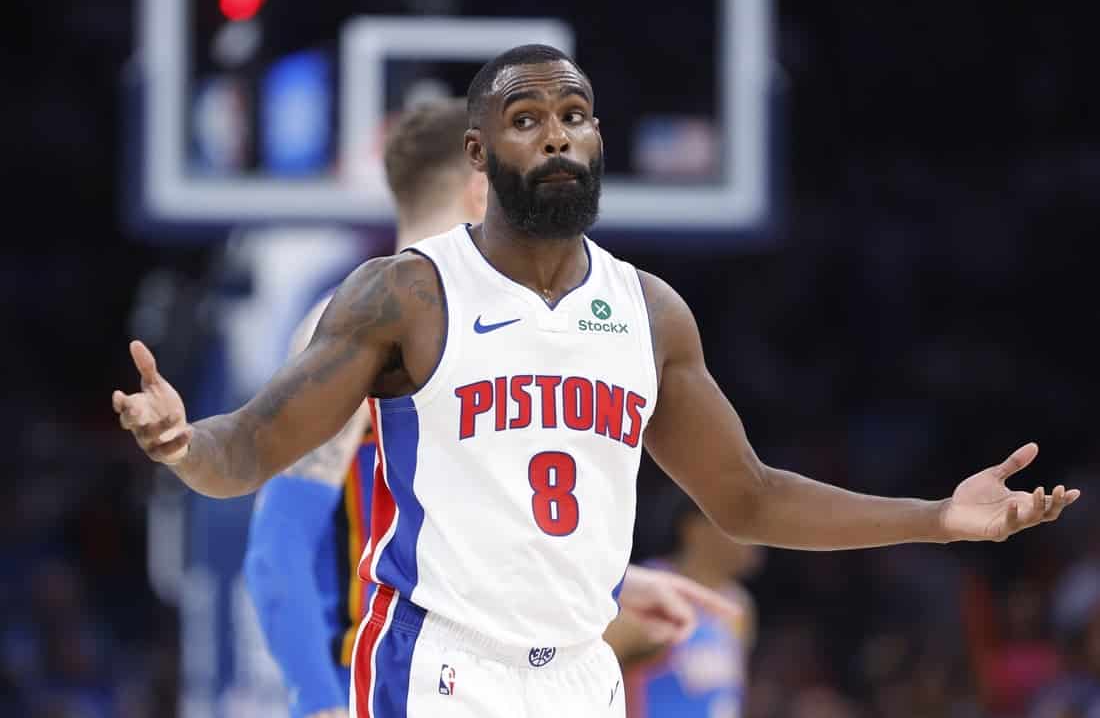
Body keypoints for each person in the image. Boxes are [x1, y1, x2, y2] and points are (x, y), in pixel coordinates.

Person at [113, 44, 1080, 718]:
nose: (559, 136)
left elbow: (746, 497)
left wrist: (937, 517)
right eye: (528, 119)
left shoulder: (649, 311)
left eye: (575, 115)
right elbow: (250, 452)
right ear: (479, 157)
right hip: (437, 668)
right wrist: (181, 439)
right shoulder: (406, 294)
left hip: (581, 672)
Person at [240, 97, 741, 718]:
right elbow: (279, 541)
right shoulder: (364, 321)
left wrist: (617, 584)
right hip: (383, 681)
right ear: (483, 188)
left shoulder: (489, 318)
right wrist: (317, 701)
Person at [625, 490, 762, 717]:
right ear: (694, 529)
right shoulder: (648, 593)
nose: (755, 537)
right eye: (741, 523)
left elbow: (731, 695)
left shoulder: (741, 605)